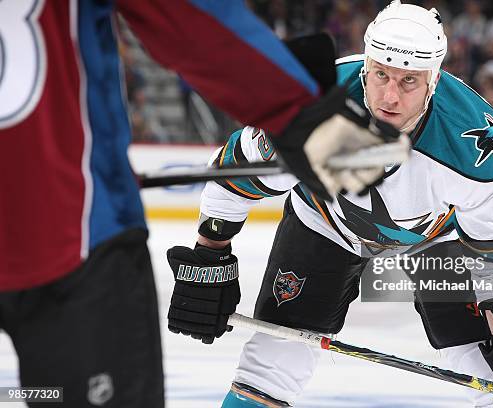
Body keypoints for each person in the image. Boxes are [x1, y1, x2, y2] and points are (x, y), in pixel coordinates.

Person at [165, 2, 493, 408]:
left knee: (487, 367)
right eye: (381, 75)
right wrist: (209, 254)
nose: (390, 96)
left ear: (434, 79)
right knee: (274, 354)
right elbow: (233, 178)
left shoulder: (479, 147)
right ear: (366, 65)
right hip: (325, 221)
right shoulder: (312, 104)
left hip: (435, 238)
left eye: (409, 81)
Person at [0, 1, 395, 407]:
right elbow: (185, 15)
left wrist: (212, 248)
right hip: (74, 234)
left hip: (69, 231)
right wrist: (298, 109)